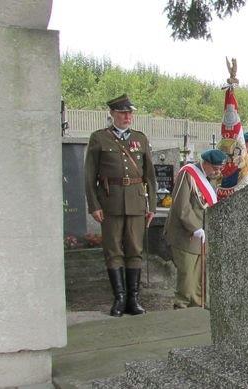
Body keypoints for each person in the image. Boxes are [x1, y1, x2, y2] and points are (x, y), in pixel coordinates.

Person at [84, 94, 157, 317]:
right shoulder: (99, 139)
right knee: (113, 250)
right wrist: (94, 205)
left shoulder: (140, 139)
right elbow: (89, 175)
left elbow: (150, 176)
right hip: (111, 202)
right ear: (113, 114)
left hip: (135, 202)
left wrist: (151, 205)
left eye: (130, 113)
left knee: (135, 249)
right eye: (123, 113)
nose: (128, 117)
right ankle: (119, 298)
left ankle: (133, 299)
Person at [164, 149, 226, 309]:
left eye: (220, 169)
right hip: (185, 235)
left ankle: (197, 306)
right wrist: (195, 227)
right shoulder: (188, 174)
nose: (217, 172)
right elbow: (181, 206)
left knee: (200, 277)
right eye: (215, 168)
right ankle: (181, 308)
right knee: (187, 277)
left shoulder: (208, 178)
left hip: (201, 236)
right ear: (205, 163)